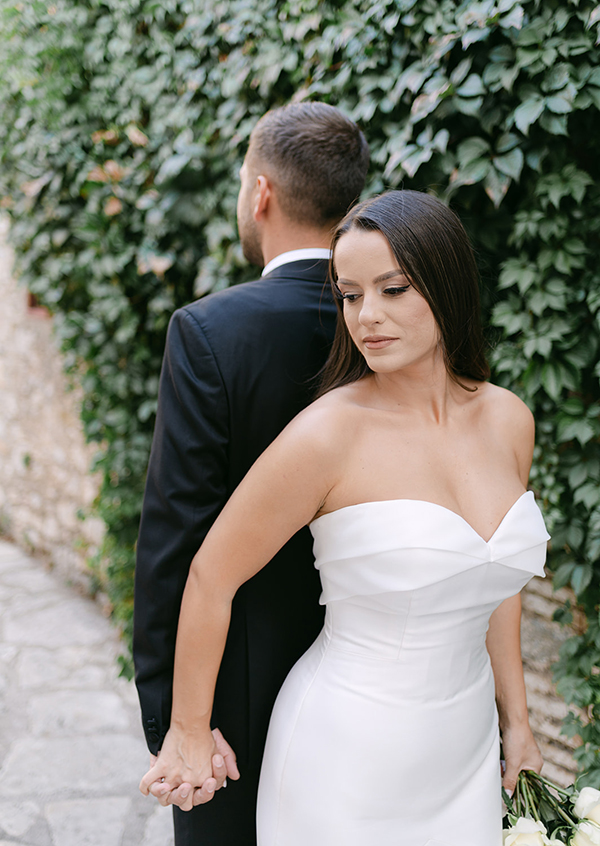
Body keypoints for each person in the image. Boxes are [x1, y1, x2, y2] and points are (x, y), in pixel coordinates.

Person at [140, 189, 548, 846]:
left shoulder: (510, 419)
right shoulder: (328, 434)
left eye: (393, 289)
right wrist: (187, 730)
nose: (367, 317)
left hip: (463, 752)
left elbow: (493, 584)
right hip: (344, 756)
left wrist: (518, 722)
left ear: (447, 285)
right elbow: (210, 576)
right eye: (350, 294)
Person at [133, 101, 370, 845]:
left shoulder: (210, 333)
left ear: (260, 192)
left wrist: (177, 720)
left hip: (237, 699)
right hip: (380, 683)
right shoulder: (401, 323)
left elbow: (176, 538)